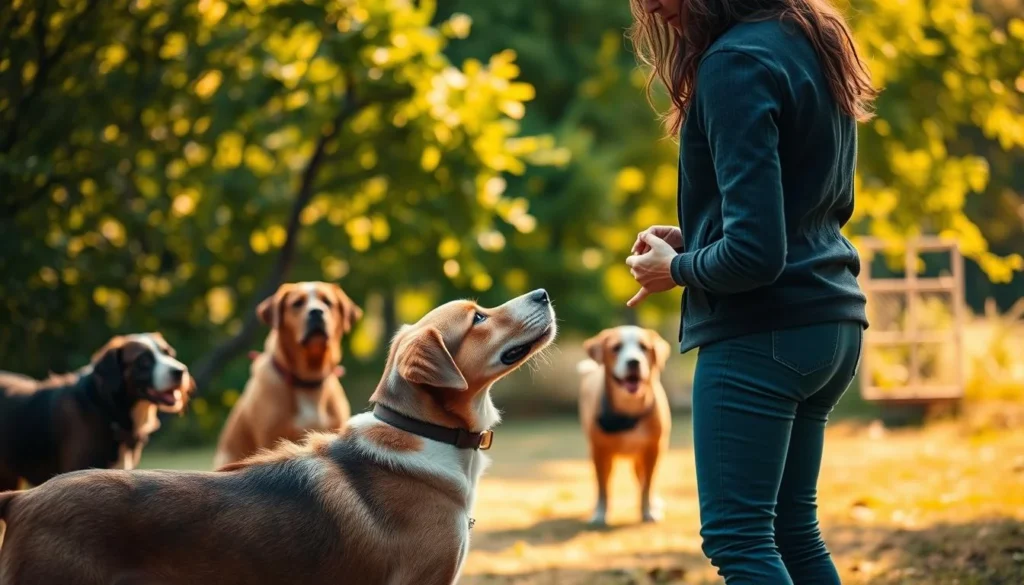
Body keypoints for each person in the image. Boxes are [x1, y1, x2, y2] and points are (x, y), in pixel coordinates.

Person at [622, 1, 876, 583]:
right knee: (793, 534)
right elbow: (790, 213)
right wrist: (696, 237)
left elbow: (757, 255)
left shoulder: (732, 62)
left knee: (740, 541)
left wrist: (679, 269)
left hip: (763, 335)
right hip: (827, 322)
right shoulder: (812, 35)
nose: (655, 7)